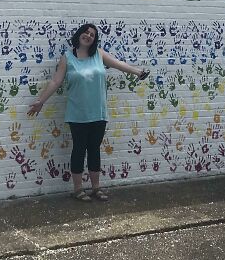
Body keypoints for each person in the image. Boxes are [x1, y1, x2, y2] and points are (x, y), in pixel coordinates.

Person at [27, 22, 150, 202]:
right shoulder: (68, 57)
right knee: (79, 150)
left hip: (98, 112)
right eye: (86, 32)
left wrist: (138, 72)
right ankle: (78, 189)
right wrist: (41, 101)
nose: (88, 36)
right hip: (77, 114)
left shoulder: (99, 54)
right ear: (79, 35)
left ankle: (96, 188)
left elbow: (118, 64)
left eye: (92, 35)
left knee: (94, 150)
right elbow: (56, 81)